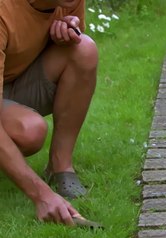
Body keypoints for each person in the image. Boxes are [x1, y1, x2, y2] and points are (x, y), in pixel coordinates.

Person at [0, 0, 98, 225]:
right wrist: (41, 195)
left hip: (16, 79)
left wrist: (62, 35)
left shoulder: (69, 1)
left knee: (84, 48)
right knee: (29, 132)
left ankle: (60, 166)